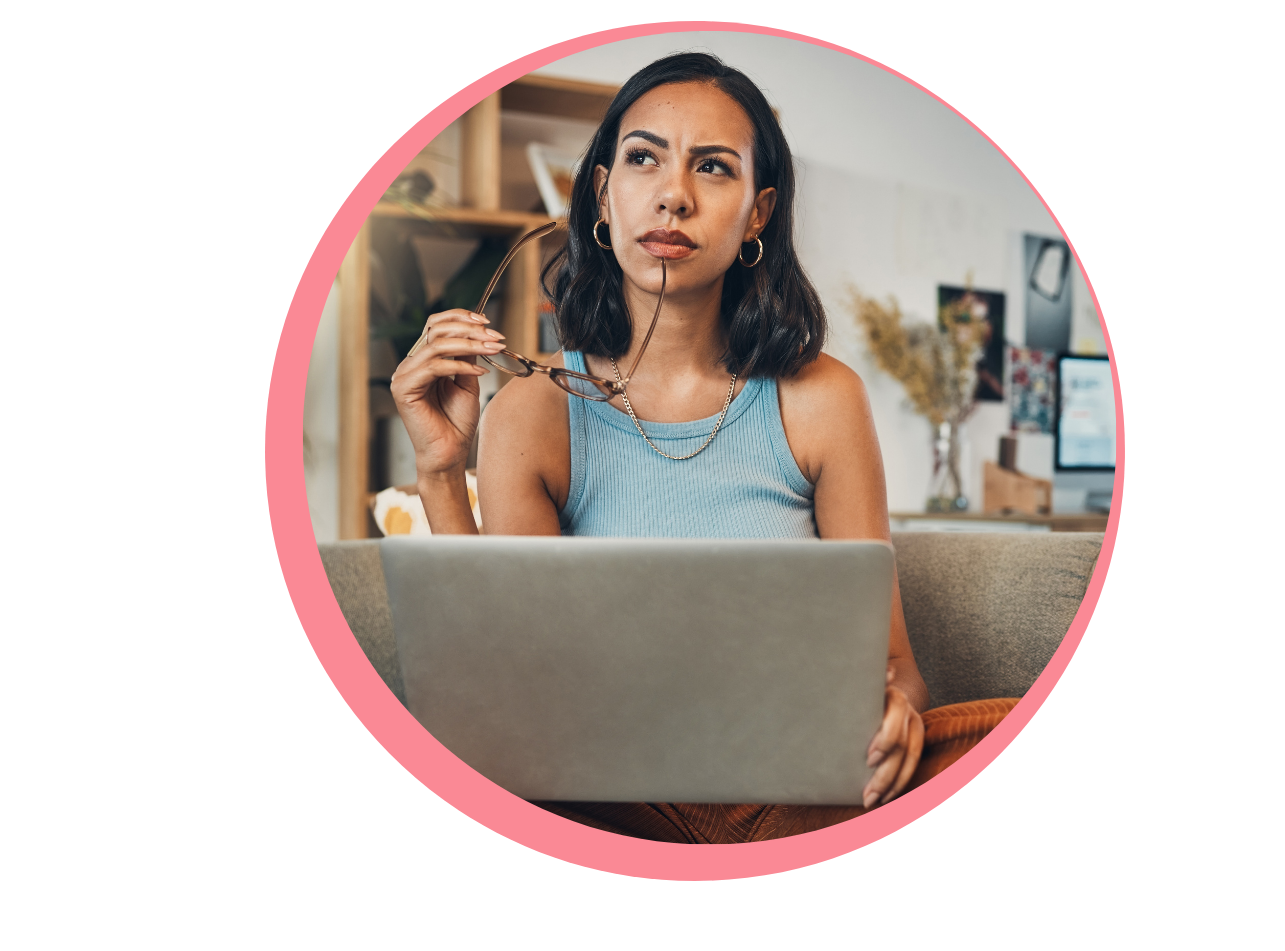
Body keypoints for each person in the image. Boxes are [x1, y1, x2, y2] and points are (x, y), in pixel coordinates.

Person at [387, 53, 1013, 843]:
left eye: (714, 167)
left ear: (758, 214)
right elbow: (510, 690)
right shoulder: (534, 411)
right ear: (603, 195)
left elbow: (898, 672)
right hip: (611, 806)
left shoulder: (822, 398)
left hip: (801, 797)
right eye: (643, 158)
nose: (674, 195)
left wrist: (895, 712)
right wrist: (442, 471)